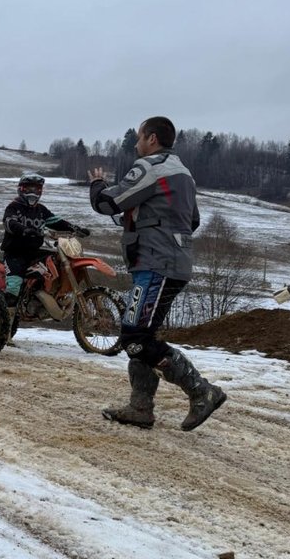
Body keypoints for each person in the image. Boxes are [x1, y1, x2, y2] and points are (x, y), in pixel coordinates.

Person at [88, 116, 226, 431]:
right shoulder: (184, 174)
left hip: (156, 264)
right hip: (170, 262)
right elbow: (193, 221)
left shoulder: (151, 167)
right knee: (140, 334)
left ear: (151, 138)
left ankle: (201, 391)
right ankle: (140, 407)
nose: (136, 144)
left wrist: (97, 184)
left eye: (139, 138)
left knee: (135, 338)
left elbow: (108, 203)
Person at [0, 172, 89, 305]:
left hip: (34, 252)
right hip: (15, 253)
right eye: (29, 188)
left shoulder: (41, 210)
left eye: (37, 189)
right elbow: (9, 222)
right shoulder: (14, 207)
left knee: (56, 261)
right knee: (14, 287)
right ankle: (6, 316)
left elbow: (57, 221)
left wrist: (75, 228)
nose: (33, 192)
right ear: (21, 189)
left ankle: (49, 293)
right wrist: (24, 230)